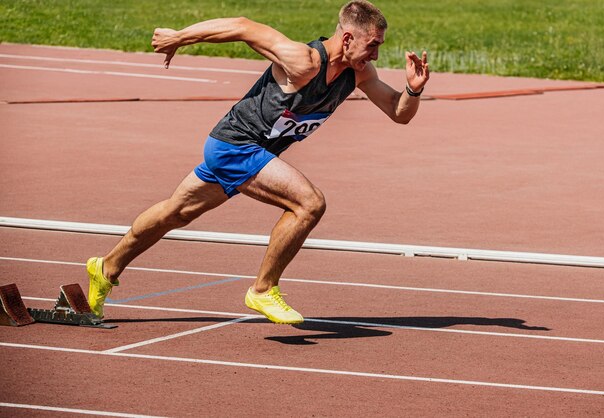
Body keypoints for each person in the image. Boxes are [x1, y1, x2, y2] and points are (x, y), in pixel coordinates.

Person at [86, 0, 429, 324]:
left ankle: (106, 267)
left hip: (248, 154)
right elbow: (242, 27)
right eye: (372, 45)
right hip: (235, 146)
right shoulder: (304, 60)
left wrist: (412, 90)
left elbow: (398, 113)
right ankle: (263, 289)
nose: (376, 53)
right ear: (348, 37)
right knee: (308, 204)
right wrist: (180, 36)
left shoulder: (360, 74)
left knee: (175, 212)